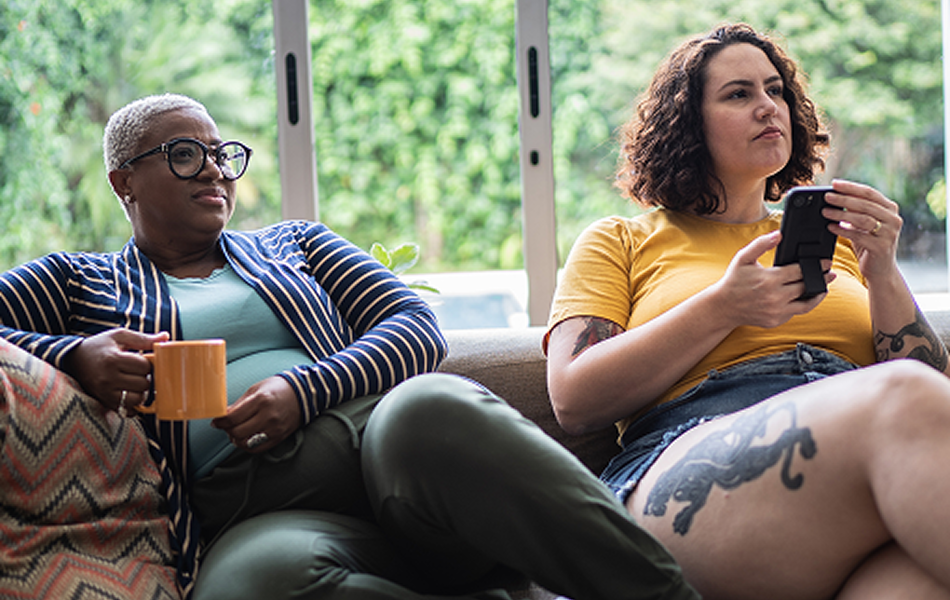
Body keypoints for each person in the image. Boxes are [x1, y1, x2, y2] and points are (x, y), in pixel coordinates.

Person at [0, 93, 699, 600]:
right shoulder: (76, 280)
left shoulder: (293, 243)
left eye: (222, 154)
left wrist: (301, 391)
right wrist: (74, 356)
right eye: (185, 155)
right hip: (254, 510)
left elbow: (412, 326)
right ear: (124, 180)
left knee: (427, 408)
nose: (214, 170)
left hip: (382, 453)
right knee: (245, 588)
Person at [545, 23, 950, 600]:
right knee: (900, 395)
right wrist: (723, 307)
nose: (767, 106)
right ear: (688, 125)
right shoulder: (620, 241)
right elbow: (573, 400)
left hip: (841, 468)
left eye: (775, 90)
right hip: (687, 458)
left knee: (921, 582)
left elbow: (936, 405)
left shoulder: (831, 238)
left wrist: (882, 269)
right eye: (738, 95)